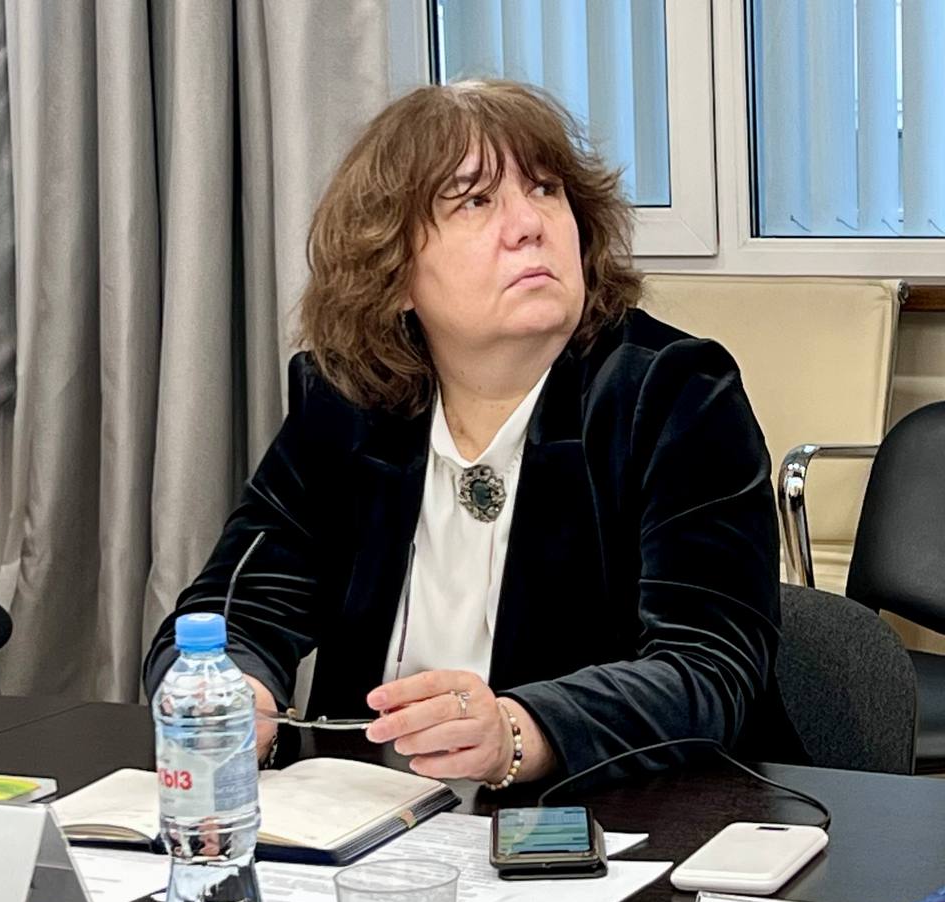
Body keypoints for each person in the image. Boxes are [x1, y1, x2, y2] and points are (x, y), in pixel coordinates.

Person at [143, 79, 780, 788]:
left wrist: (520, 730)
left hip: (620, 817)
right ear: (394, 270)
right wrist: (235, 696)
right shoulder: (348, 402)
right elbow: (232, 608)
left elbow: (709, 667)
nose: (528, 224)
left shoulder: (672, 395)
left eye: (545, 190)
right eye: (475, 201)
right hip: (378, 821)